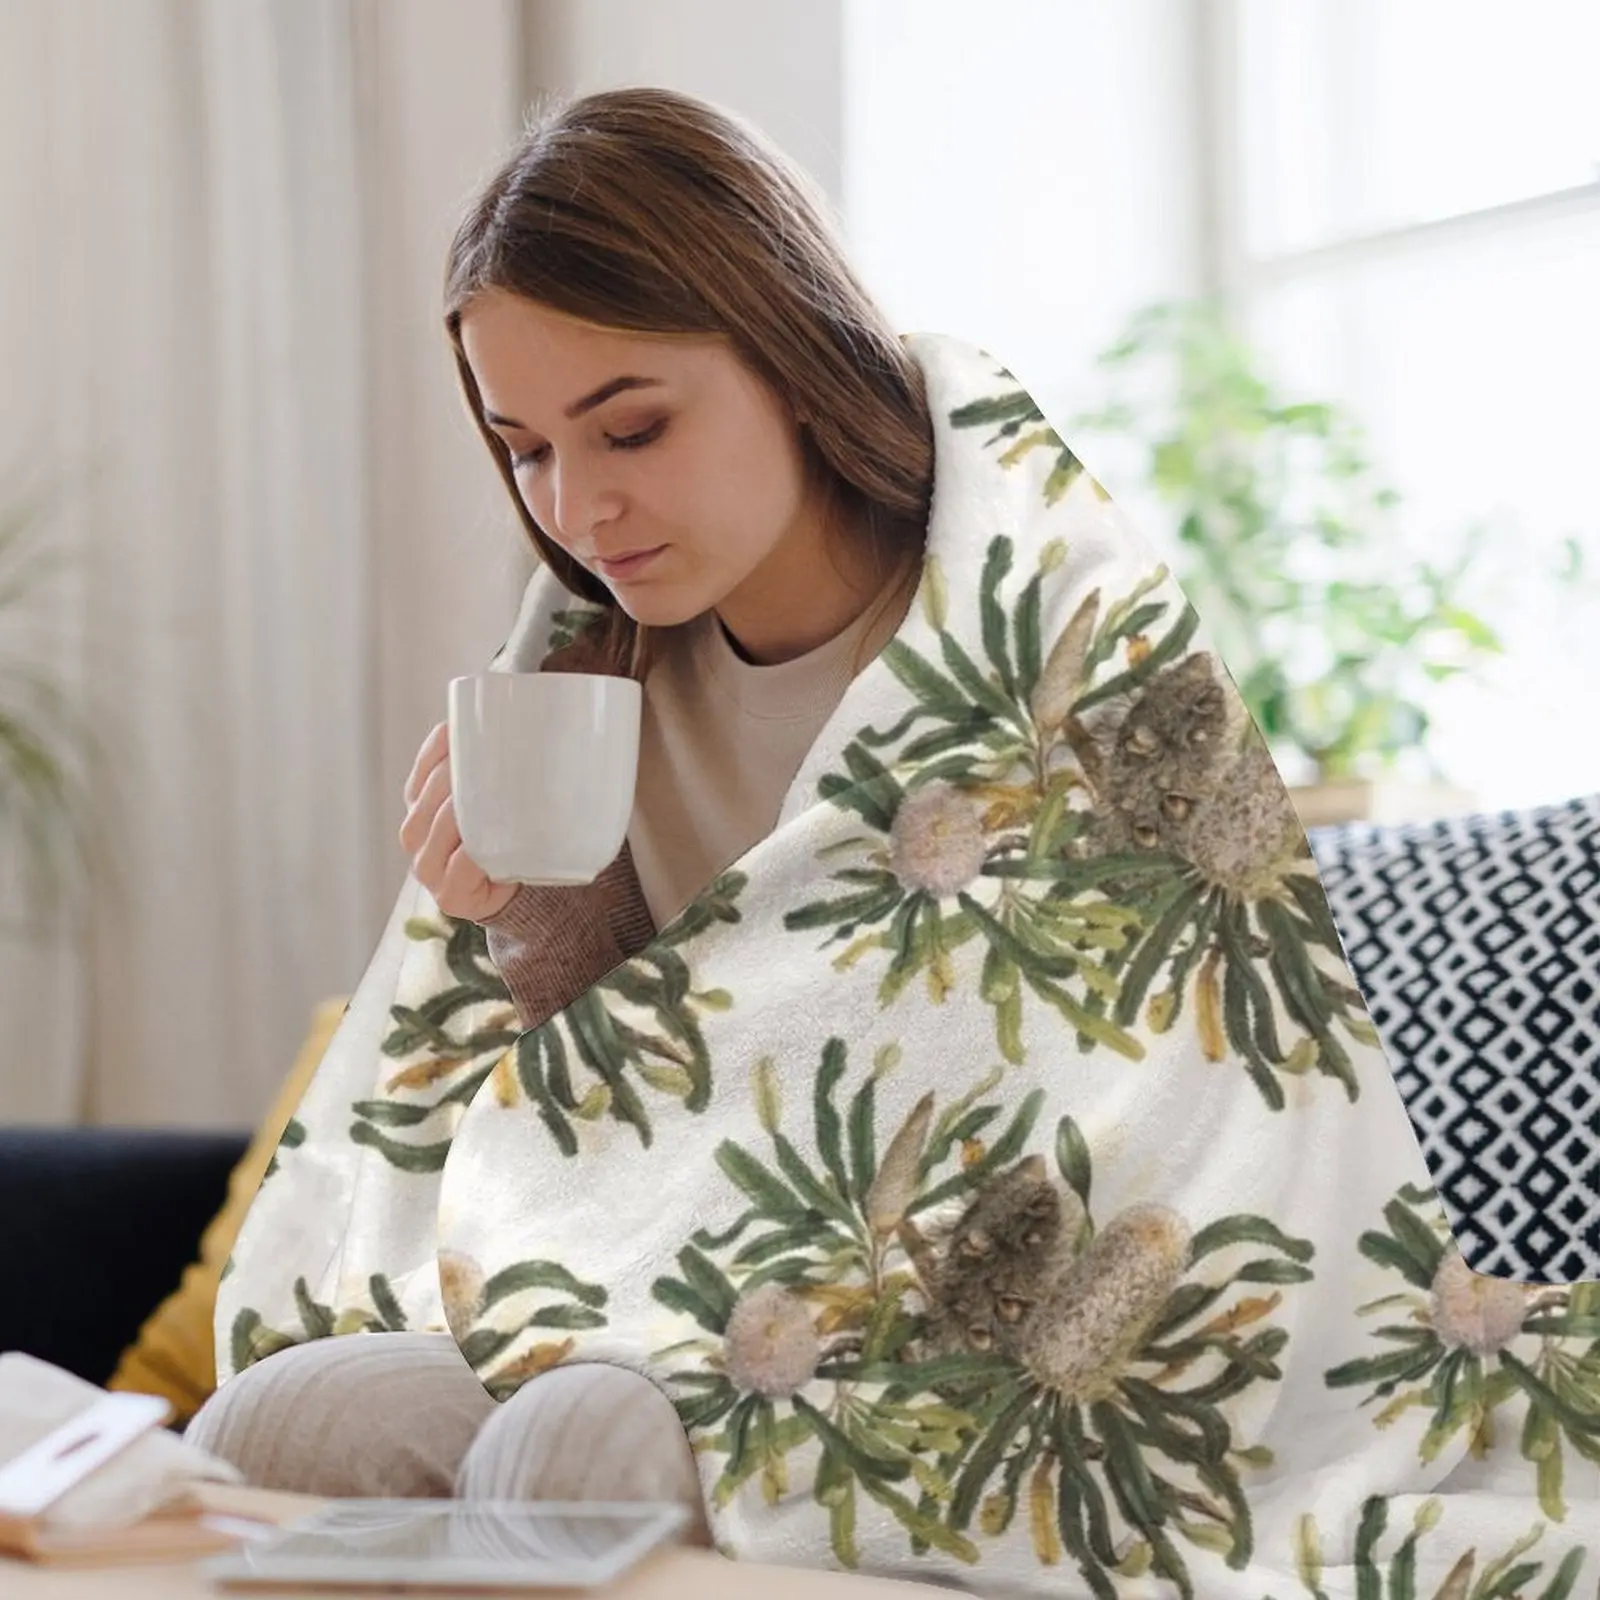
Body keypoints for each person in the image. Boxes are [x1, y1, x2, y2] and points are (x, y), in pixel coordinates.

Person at [185, 85, 932, 1536]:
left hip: (928, 1325)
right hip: (640, 1289)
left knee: (582, 1442)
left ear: (789, 352)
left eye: (631, 428)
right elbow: (578, 1121)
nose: (577, 509)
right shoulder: (581, 663)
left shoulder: (1008, 639)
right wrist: (515, 927)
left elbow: (1117, 1092)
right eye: (526, 448)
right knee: (284, 1419)